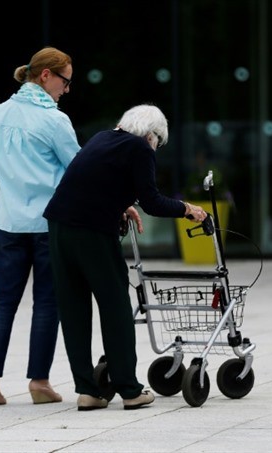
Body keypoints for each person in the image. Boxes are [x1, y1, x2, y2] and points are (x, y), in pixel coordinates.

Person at [43, 104, 207, 411]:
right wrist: (187, 209)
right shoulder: (139, 147)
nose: (156, 149)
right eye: (159, 143)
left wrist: (120, 205)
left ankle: (87, 391)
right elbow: (153, 201)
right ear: (151, 135)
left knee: (74, 307)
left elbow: (93, 181)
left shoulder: (102, 138)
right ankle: (130, 390)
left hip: (59, 227)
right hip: (92, 232)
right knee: (116, 305)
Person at [0, 46, 80, 405]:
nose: (67, 90)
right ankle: (39, 382)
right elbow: (78, 170)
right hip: (45, 223)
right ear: (46, 76)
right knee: (47, 303)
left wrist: (16, 173)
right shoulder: (55, 121)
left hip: (7, 220)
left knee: (2, 301)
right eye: (65, 81)